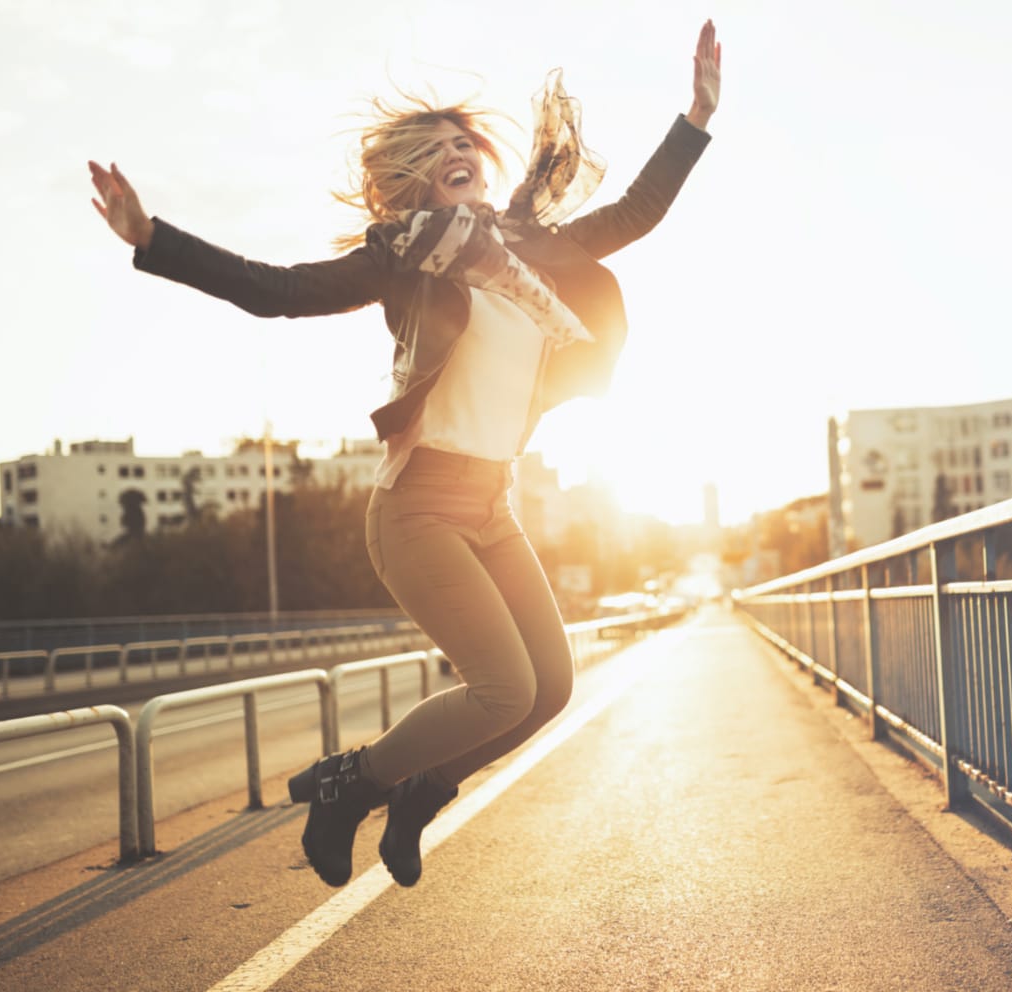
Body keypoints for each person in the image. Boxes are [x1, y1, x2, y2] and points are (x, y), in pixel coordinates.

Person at [90, 20, 720, 889]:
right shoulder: (404, 257)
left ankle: (418, 792)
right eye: (437, 149)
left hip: (492, 508)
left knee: (551, 689)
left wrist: (694, 118)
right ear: (411, 181)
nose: (460, 150)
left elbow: (637, 214)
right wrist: (151, 238)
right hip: (418, 509)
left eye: (467, 142)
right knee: (502, 688)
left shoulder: (531, 245)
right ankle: (351, 786)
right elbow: (277, 291)